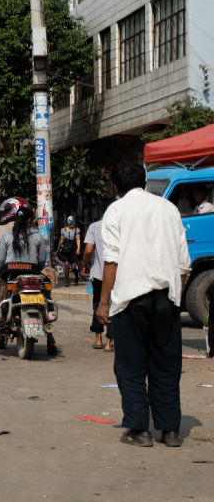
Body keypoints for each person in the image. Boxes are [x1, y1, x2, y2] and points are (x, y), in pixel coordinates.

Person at [96, 160, 190, 448]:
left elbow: (111, 260)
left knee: (130, 366)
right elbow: (183, 264)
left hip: (130, 300)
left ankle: (139, 430)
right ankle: (171, 431)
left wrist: (103, 304)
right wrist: (174, 299)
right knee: (166, 365)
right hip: (166, 297)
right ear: (145, 182)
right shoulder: (168, 208)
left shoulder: (116, 211)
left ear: (115, 186)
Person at [0, 197, 56, 355]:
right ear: (29, 221)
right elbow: (41, 262)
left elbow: (0, 262)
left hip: (10, 277)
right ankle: (51, 338)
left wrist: (0, 271)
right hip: (32, 277)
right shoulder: (37, 236)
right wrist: (34, 270)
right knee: (46, 297)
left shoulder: (5, 235)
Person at [83, 217, 113, 352]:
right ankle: (109, 342)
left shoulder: (94, 227)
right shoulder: (119, 226)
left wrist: (84, 264)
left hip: (98, 274)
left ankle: (98, 339)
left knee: (97, 304)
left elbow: (89, 250)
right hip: (116, 274)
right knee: (113, 307)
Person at [57, 215, 82, 285]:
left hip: (73, 250)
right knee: (66, 264)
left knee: (74, 267)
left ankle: (76, 277)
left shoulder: (76, 229)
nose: (72, 225)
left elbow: (78, 239)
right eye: (71, 223)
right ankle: (67, 281)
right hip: (66, 249)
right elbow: (61, 240)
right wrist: (58, 248)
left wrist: (78, 248)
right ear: (68, 223)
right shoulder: (63, 230)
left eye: (73, 223)